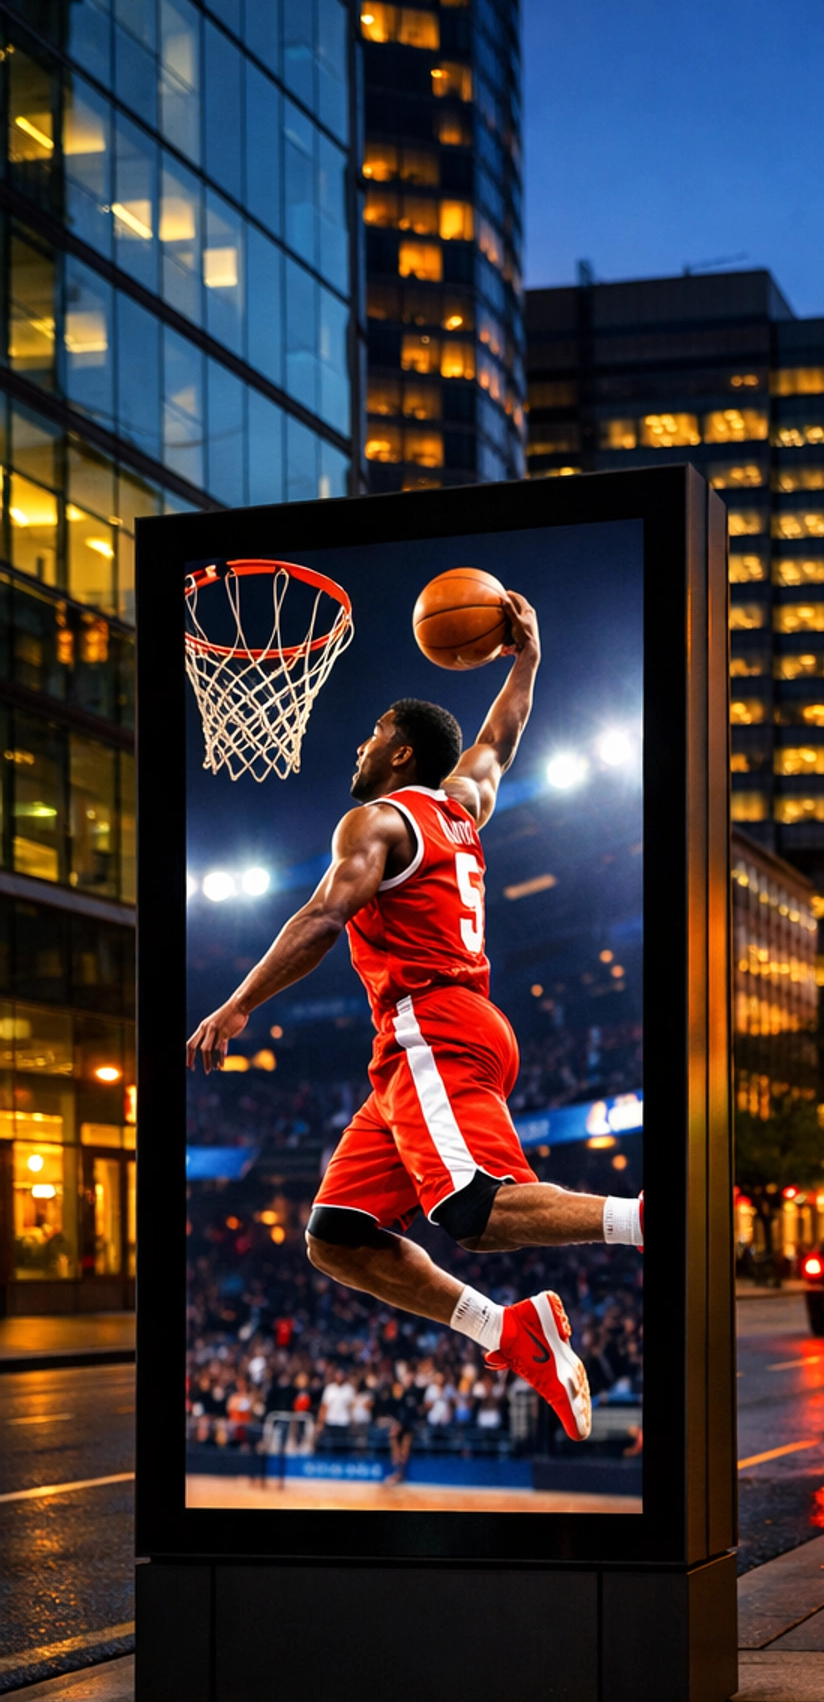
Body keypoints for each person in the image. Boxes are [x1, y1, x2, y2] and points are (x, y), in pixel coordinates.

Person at [186, 590, 641, 1443]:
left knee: (473, 1209)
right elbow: (499, 739)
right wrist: (528, 659)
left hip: (430, 1024)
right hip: (430, 1041)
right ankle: (507, 1330)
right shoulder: (461, 805)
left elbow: (323, 916)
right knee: (336, 1237)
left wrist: (239, 1003)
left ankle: (648, 1220)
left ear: (399, 751)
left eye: (371, 735)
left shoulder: (377, 820)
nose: (360, 747)